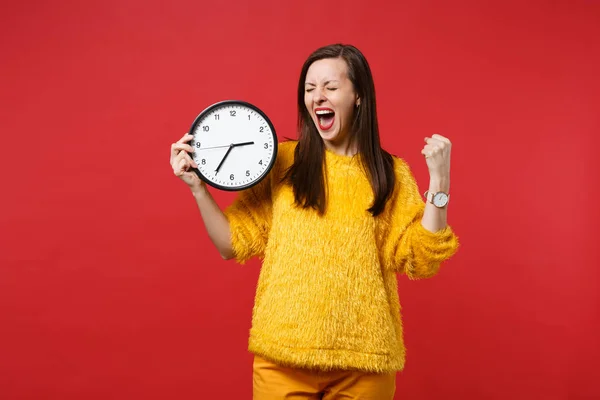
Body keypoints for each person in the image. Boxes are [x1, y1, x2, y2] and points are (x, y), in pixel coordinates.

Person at [170, 44, 459, 400]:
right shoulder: (281, 162)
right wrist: (198, 189)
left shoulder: (391, 173)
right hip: (282, 359)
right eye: (309, 89)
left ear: (358, 96)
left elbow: (421, 259)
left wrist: (440, 184)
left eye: (330, 87)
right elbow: (232, 244)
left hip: (364, 365)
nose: (317, 97)